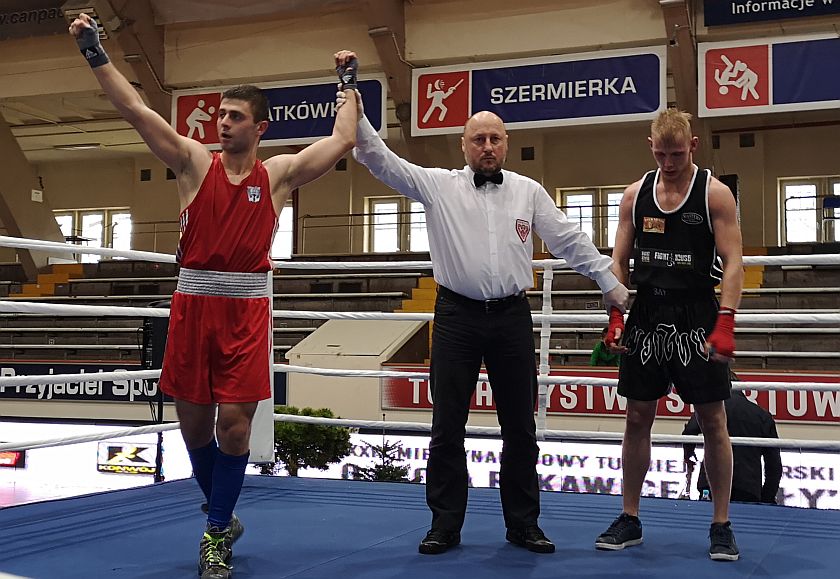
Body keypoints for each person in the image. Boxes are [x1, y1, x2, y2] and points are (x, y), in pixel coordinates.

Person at [69, 16, 360, 579]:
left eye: (234, 116)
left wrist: (348, 84)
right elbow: (135, 110)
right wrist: (92, 51)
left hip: (246, 311)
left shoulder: (277, 175)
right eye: (221, 114)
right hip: (192, 305)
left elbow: (342, 139)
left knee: (235, 427)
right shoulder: (192, 163)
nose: (220, 123)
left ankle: (215, 533)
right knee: (195, 430)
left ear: (259, 126)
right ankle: (224, 514)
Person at [337, 57, 629, 556]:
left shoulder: (528, 191)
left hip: (513, 316)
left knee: (520, 426)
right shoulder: (437, 185)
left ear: (507, 144)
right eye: (479, 139)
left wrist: (608, 280)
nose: (488, 147)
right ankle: (444, 525)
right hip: (456, 316)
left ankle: (523, 524)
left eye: (495, 139)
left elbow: (569, 239)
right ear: (464, 146)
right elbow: (377, 156)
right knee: (446, 425)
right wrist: (351, 95)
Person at [594, 108, 744, 562]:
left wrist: (727, 320)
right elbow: (617, 261)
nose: (669, 162)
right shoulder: (634, 195)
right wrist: (616, 314)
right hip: (646, 310)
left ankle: (721, 524)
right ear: (650, 147)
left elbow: (734, 261)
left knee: (713, 420)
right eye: (662, 154)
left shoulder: (715, 195)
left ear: (692, 146)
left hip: (698, 310)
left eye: (677, 153)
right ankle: (630, 517)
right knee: (637, 418)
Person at [683, 375, 782, 505]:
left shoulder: (711, 408)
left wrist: (689, 454)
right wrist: (767, 497)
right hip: (748, 487)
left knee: (710, 522)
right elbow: (773, 463)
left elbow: (689, 431)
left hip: (712, 482)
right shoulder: (761, 415)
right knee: (745, 524)